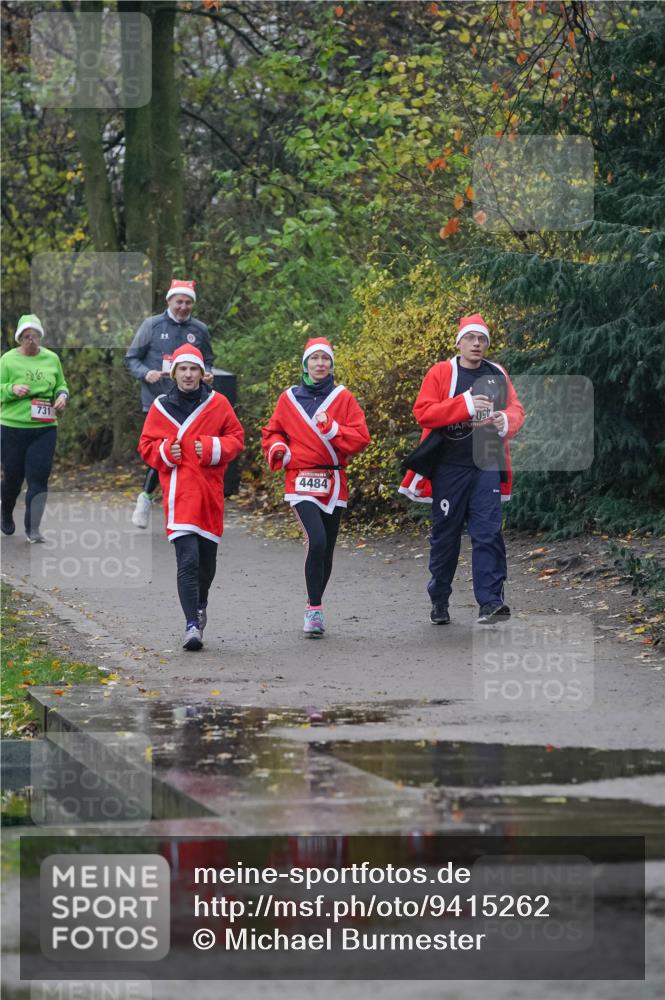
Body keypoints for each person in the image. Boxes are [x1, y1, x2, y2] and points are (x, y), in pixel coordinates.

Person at [399, 313, 525, 625]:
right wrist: (465, 404)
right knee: (447, 537)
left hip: (486, 466)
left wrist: (505, 420)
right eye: (471, 338)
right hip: (449, 468)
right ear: (459, 342)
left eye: (482, 339)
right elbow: (424, 413)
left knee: (488, 533)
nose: (477, 344)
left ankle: (491, 603)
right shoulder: (442, 372)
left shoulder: (497, 373)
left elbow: (516, 409)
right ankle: (439, 597)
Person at [262, 337, 370, 637]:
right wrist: (279, 449)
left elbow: (361, 437)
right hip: (300, 480)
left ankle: (315, 605)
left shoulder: (343, 397)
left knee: (328, 550)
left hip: (334, 481)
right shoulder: (289, 398)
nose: (321, 364)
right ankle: (314, 609)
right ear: (305, 363)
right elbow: (273, 432)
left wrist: (333, 428)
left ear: (331, 364)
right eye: (315, 358)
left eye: (326, 359)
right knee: (317, 540)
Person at [138, 344, 244, 651]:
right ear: (174, 373)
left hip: (210, 495)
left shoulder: (218, 404)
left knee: (206, 565)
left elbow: (236, 439)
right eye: (182, 369)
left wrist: (213, 447)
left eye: (193, 369)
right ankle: (191, 625)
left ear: (202, 373)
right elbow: (146, 445)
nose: (187, 374)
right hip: (178, 493)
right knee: (188, 560)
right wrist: (163, 452)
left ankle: (200, 603)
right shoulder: (160, 407)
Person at [125, 279, 214, 529]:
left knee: (185, 452)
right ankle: (145, 498)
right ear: (169, 301)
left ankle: (184, 508)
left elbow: (208, 360)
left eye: (188, 302)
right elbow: (132, 358)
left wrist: (206, 373)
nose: (183, 307)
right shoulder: (151, 325)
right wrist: (146, 373)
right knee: (163, 449)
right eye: (179, 302)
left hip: (193, 402)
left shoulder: (199, 329)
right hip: (158, 400)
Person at [0, 315, 69, 543]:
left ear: (40, 336)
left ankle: (33, 529)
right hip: (12, 427)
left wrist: (61, 396)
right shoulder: (8, 360)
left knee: (39, 478)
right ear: (20, 338)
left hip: (44, 428)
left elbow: (60, 384)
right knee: (13, 479)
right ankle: (6, 511)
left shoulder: (51, 358)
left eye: (35, 336)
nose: (30, 341)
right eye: (26, 337)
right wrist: (11, 388)